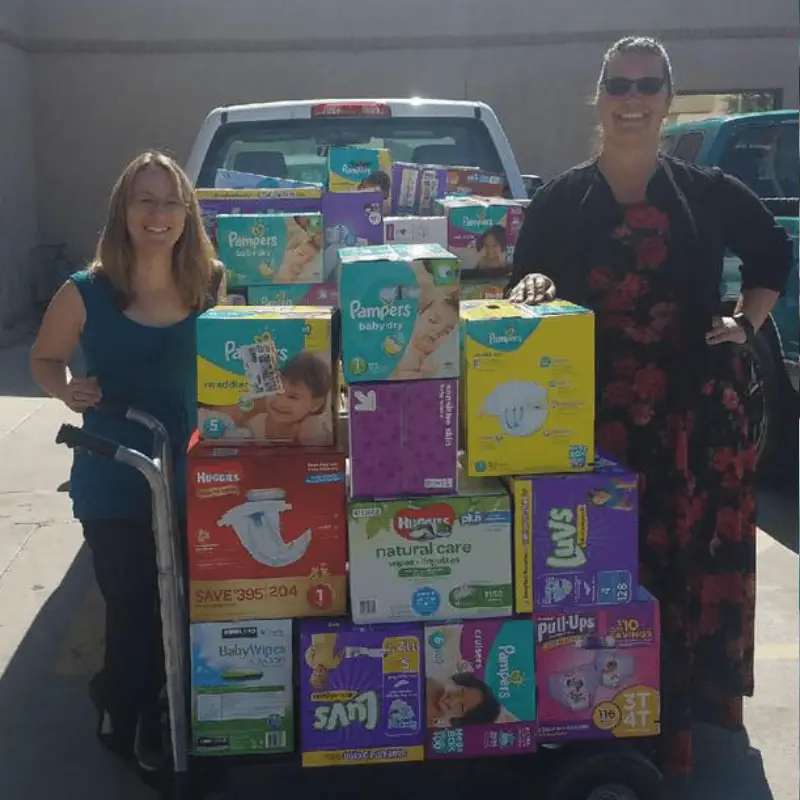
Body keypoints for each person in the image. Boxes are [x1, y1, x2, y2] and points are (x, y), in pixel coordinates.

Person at [505, 36, 792, 785]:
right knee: (605, 576)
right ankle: (603, 722)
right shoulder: (562, 199)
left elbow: (772, 256)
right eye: (619, 85)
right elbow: (523, 279)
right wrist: (531, 292)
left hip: (698, 427)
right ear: (597, 97)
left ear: (667, 98)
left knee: (688, 574)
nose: (633, 99)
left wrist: (745, 324)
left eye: (648, 85)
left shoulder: (707, 190)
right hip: (596, 427)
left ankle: (681, 726)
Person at [30, 151, 225, 774]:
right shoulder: (86, 290)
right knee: (135, 600)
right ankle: (130, 713)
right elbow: (44, 360)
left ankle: (181, 711)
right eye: (145, 200)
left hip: (194, 474)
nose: (158, 214)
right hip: (117, 472)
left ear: (187, 212)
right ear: (123, 210)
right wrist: (67, 390)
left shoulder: (211, 281)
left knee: (192, 601)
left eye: (171, 201)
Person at [426, 673, 502, 728]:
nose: (455, 700)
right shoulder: (428, 682)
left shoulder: (426, 728)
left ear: (458, 719)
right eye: (462, 691)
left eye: (461, 706)